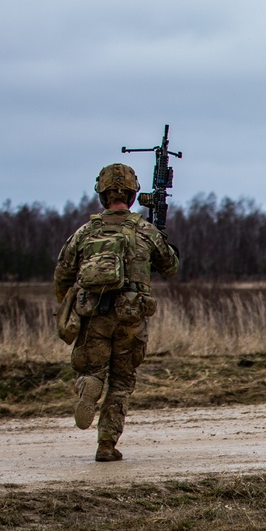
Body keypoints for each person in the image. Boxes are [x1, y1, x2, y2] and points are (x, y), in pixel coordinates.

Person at [54, 163, 180, 462]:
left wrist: (70, 307)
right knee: (121, 383)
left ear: (102, 195)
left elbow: (62, 274)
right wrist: (161, 234)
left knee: (92, 369)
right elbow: (171, 268)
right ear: (134, 194)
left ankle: (89, 387)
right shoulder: (145, 231)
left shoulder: (85, 233)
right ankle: (107, 445)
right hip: (130, 316)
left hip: (93, 314)